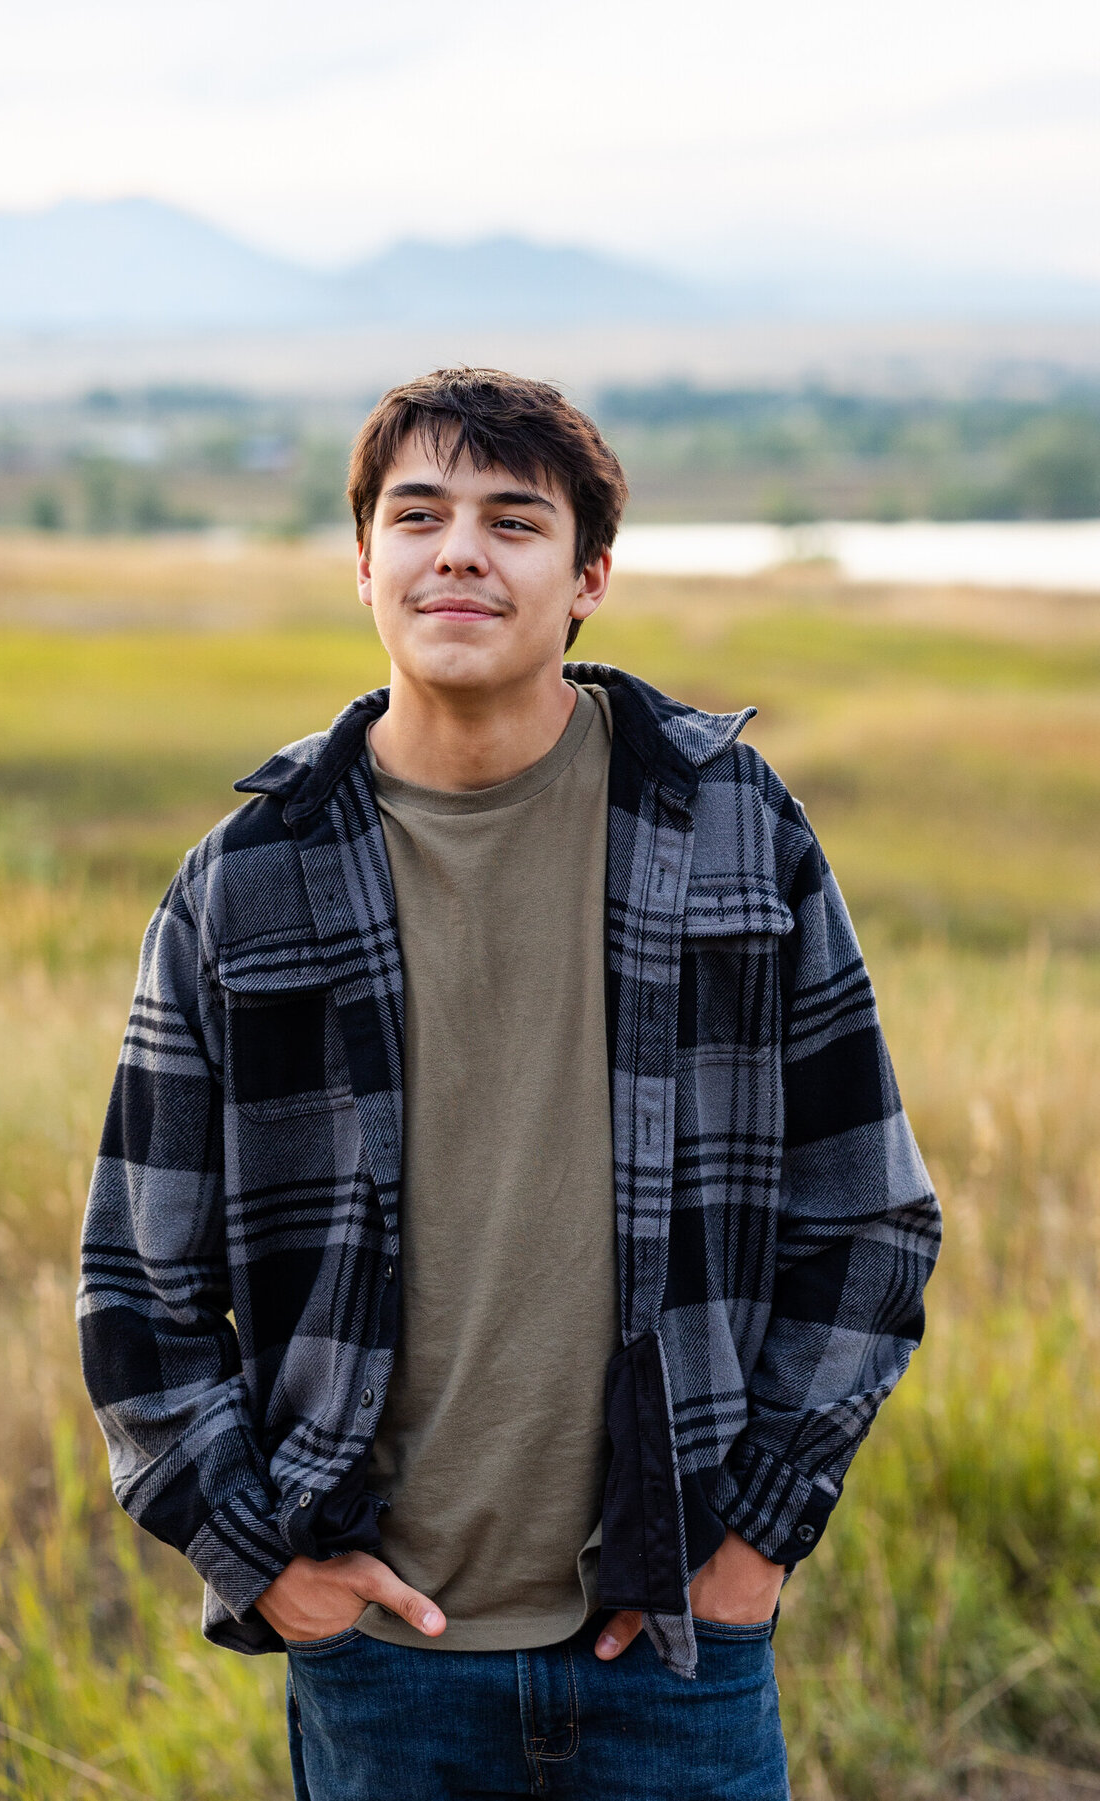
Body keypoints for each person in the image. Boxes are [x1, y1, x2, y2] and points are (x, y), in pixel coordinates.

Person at [77, 367, 941, 1800]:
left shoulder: (727, 824)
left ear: (588, 573)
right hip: (388, 1666)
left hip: (674, 1647)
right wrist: (263, 1557)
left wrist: (755, 1540)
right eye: (417, 515)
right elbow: (136, 1275)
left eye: (512, 520)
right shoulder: (247, 881)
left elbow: (870, 1214)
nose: (459, 549)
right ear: (364, 563)